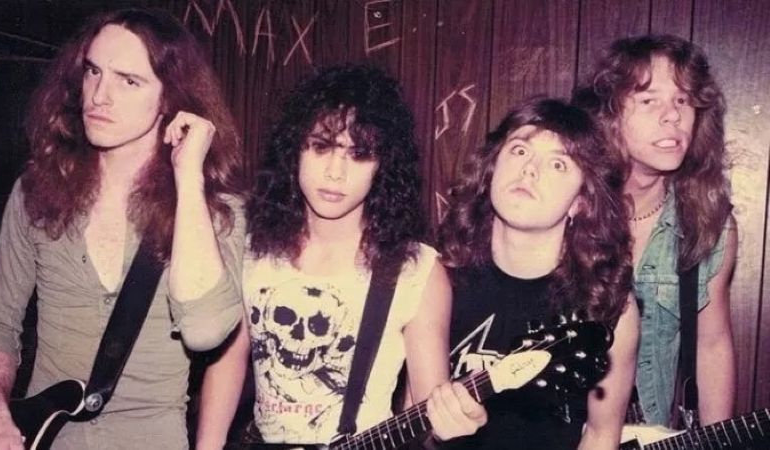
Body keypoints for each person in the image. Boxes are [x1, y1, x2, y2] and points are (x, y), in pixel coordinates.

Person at [0, 8, 246, 450]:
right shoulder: (34, 192)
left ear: (171, 99)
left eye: (128, 81)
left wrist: (188, 176)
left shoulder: (214, 211)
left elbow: (206, 331)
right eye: (93, 72)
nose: (99, 96)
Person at [196, 65, 486, 449]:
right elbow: (229, 361)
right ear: (294, 150)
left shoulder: (416, 270)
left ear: (383, 165)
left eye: (359, 154)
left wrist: (454, 423)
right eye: (321, 147)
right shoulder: (252, 248)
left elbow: (427, 405)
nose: (335, 172)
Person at [438, 98, 639, 449]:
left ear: (581, 202)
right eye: (519, 151)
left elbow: (600, 435)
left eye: (558, 164)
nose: (529, 169)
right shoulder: (440, 278)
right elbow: (412, 410)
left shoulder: (608, 306)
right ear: (491, 170)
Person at [573, 34, 737, 427]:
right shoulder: (566, 207)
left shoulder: (707, 222)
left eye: (683, 100)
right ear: (609, 115)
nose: (673, 116)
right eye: (649, 100)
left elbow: (712, 345)